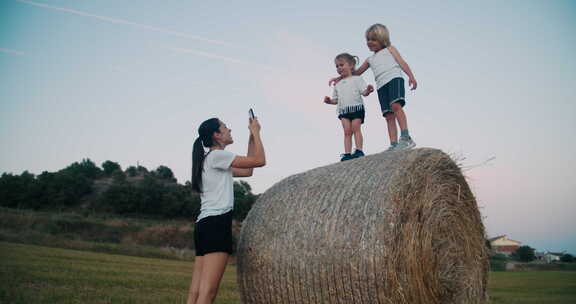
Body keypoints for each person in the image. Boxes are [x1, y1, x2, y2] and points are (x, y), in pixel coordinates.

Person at [187, 117, 265, 304]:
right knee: (208, 293)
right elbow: (260, 161)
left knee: (196, 291)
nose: (229, 129)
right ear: (216, 135)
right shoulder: (217, 156)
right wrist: (256, 132)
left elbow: (249, 171)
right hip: (217, 224)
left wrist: (251, 138)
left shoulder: (210, 160)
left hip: (204, 225)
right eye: (225, 127)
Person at [330, 23, 418, 151]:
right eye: (368, 40)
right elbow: (356, 73)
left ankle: (406, 137)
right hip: (381, 85)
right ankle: (393, 144)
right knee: (388, 115)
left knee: (395, 106)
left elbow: (402, 62)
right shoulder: (370, 59)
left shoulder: (390, 49)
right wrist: (339, 78)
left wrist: (411, 76)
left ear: (383, 39)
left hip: (394, 79)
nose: (370, 42)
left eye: (373, 39)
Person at [324, 53, 374, 161]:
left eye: (341, 65)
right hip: (343, 111)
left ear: (351, 65)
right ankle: (347, 153)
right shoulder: (337, 84)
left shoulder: (357, 79)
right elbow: (336, 100)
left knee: (356, 128)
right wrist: (329, 101)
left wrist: (368, 91)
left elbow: (363, 92)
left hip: (356, 108)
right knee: (347, 131)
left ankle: (359, 150)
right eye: (337, 66)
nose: (339, 68)